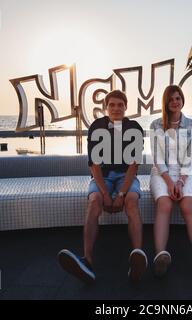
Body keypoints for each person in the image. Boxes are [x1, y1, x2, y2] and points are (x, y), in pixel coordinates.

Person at [58, 90, 147, 284]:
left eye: (120, 105)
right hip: (103, 178)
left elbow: (134, 165)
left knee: (132, 201)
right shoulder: (97, 127)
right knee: (94, 201)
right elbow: (94, 165)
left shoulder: (134, 128)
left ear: (126, 107)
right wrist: (105, 193)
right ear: (106, 108)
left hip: (125, 176)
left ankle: (137, 258)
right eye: (112, 105)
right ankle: (87, 261)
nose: (116, 108)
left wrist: (122, 193)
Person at [149, 85, 192, 278]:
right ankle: (161, 256)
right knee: (165, 205)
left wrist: (181, 182)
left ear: (182, 99)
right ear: (166, 103)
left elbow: (190, 157)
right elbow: (157, 158)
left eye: (178, 98)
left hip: (187, 172)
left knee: (187, 207)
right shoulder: (156, 125)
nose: (175, 102)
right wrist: (169, 182)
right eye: (171, 99)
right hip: (162, 173)